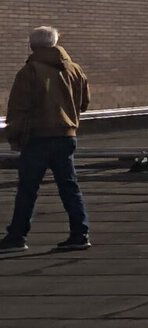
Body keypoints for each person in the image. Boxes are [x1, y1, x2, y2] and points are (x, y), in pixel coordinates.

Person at [3, 27, 92, 252]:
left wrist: (14, 135)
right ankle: (80, 233)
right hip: (66, 135)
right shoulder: (75, 69)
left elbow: (18, 108)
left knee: (28, 189)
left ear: (33, 46)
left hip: (38, 138)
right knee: (69, 186)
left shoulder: (30, 72)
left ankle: (17, 236)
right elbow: (84, 102)